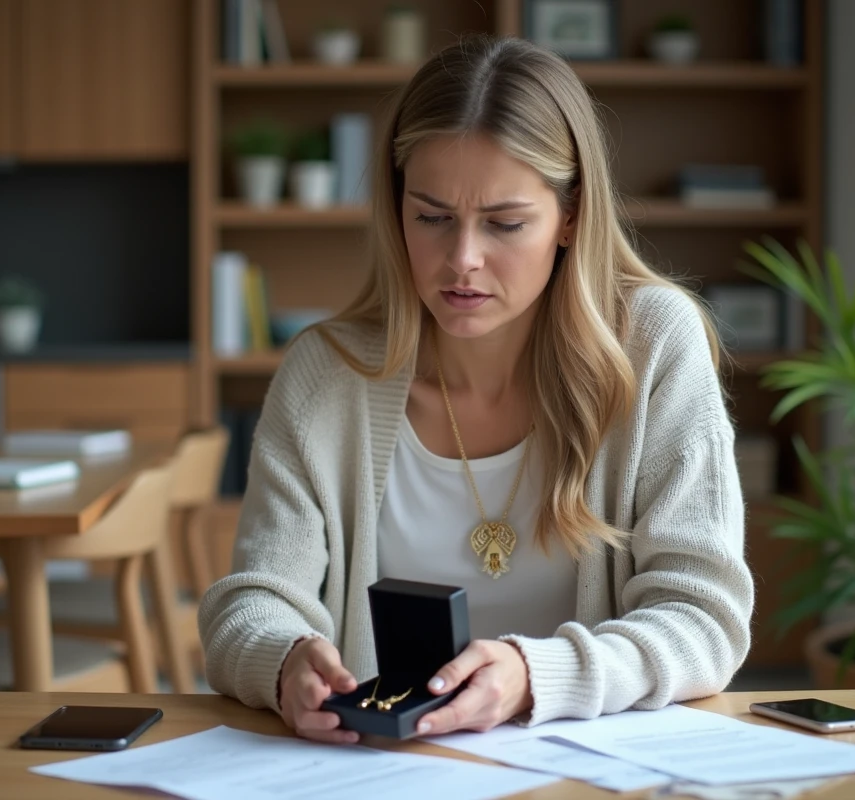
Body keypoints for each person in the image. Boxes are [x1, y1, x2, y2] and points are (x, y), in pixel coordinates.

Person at [198, 34, 754, 744]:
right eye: (431, 217)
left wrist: (534, 675)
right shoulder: (325, 376)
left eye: (505, 223)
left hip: (589, 777)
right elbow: (249, 604)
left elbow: (703, 620)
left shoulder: (651, 347)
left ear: (571, 216)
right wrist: (283, 661)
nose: (462, 259)